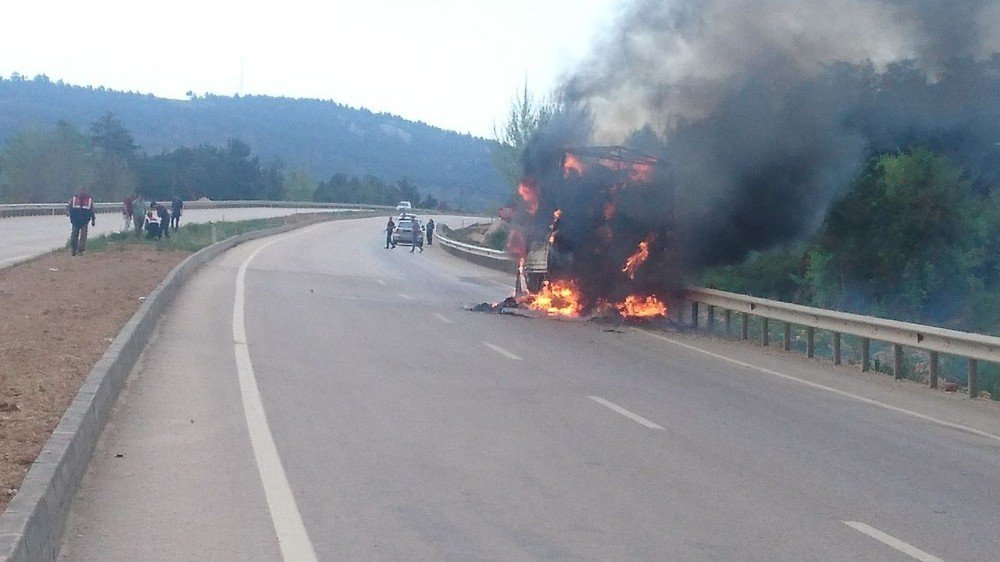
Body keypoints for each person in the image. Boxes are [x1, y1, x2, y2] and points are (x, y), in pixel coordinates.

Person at [67, 186, 95, 256]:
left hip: (85, 222)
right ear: (78, 192)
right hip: (75, 221)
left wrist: (93, 220)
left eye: (83, 191)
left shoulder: (89, 200)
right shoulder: (73, 199)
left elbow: (92, 210)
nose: (82, 193)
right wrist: (68, 213)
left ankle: (80, 250)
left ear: (85, 192)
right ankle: (74, 249)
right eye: (81, 191)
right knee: (74, 236)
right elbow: (68, 207)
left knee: (83, 236)